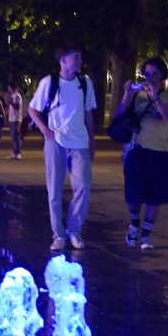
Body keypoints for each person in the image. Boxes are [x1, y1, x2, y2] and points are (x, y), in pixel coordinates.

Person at [28, 43, 99, 252]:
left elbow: (88, 113)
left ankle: (74, 229)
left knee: (83, 187)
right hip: (55, 141)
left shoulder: (85, 83)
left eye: (79, 57)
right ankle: (58, 235)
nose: (80, 61)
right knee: (54, 191)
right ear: (63, 60)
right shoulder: (49, 83)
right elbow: (33, 109)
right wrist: (45, 130)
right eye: (75, 57)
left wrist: (92, 139)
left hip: (80, 142)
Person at [113, 56, 168, 250]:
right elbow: (119, 115)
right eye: (147, 74)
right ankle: (134, 224)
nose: (150, 78)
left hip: (159, 150)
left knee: (154, 196)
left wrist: (155, 97)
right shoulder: (137, 95)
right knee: (133, 195)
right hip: (136, 149)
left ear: (162, 76)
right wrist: (126, 94)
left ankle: (146, 235)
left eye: (155, 74)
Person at [5, 81, 26, 159]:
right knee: (13, 135)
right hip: (12, 118)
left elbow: (16, 107)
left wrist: (11, 103)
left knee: (15, 135)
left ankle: (17, 152)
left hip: (16, 119)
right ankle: (15, 152)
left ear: (11, 88)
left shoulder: (16, 96)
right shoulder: (13, 96)